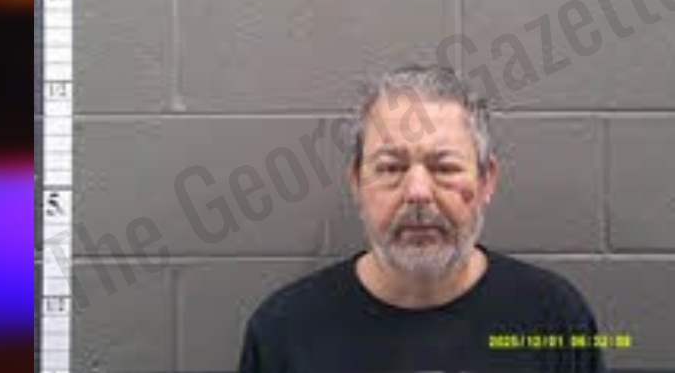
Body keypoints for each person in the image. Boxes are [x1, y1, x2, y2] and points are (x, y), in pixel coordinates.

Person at [239, 65, 606, 373]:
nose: (417, 193)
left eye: (444, 167)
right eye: (391, 168)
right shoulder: (283, 333)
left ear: (486, 181)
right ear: (356, 183)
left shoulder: (555, 319)